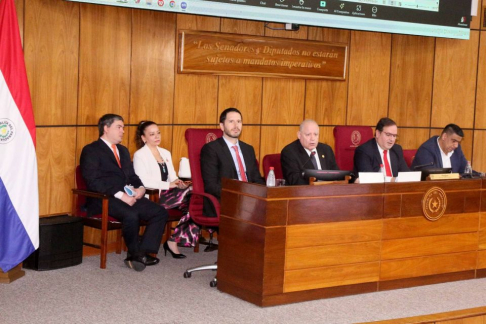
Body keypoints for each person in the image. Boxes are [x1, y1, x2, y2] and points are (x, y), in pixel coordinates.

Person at [80, 114, 168, 272]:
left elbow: (132, 176)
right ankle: (135, 255)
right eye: (119, 127)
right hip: (105, 198)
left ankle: (143, 251)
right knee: (131, 214)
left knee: (159, 212)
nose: (123, 131)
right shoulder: (91, 150)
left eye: (123, 128)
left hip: (129, 196)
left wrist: (140, 188)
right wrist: (121, 196)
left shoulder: (123, 150)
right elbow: (93, 181)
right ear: (106, 128)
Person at [133, 121, 196, 259]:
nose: (157, 136)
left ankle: (173, 240)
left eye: (158, 133)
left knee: (195, 203)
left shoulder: (165, 152)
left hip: (170, 194)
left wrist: (180, 183)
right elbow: (142, 181)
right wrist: (169, 185)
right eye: (152, 134)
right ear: (144, 138)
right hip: (153, 196)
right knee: (193, 197)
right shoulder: (140, 155)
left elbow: (172, 177)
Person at [200, 107, 265, 216]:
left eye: (239, 121)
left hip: (250, 201)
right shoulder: (211, 149)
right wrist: (238, 195)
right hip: (226, 201)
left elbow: (256, 179)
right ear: (222, 126)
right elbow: (211, 186)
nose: (236, 125)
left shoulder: (248, 149)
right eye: (231, 121)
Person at [280, 119, 339, 185]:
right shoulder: (289, 152)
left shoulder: (326, 150)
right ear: (299, 135)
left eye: (315, 134)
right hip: (304, 193)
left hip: (329, 192)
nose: (312, 138)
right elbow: (295, 181)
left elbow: (336, 175)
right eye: (308, 135)